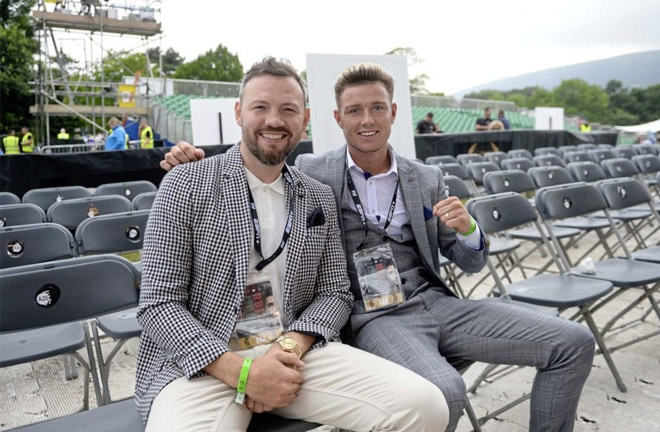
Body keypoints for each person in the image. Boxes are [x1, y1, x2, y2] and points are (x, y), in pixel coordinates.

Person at [164, 63, 596, 432]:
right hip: (372, 317)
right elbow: (258, 159)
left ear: (393, 113)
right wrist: (192, 164)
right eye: (354, 110)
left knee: (573, 341)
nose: (366, 120)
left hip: (433, 301)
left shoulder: (425, 178)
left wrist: (468, 230)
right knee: (446, 393)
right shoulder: (313, 170)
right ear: (337, 118)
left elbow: (471, 261)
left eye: (376, 108)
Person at [137, 57, 448, 432]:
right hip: (204, 363)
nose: (274, 120)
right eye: (260, 107)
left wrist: (288, 349)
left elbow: (335, 293)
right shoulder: (186, 182)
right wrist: (243, 373)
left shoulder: (317, 195)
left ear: (306, 119)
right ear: (238, 112)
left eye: (288, 109)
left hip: (292, 351)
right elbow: (157, 304)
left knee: (425, 407)